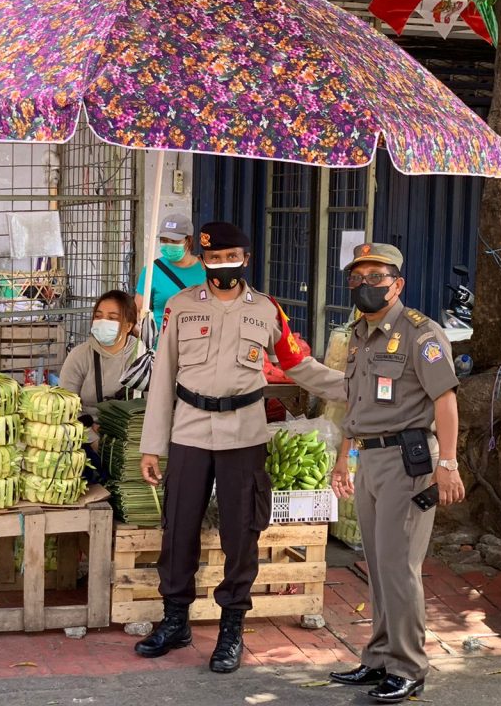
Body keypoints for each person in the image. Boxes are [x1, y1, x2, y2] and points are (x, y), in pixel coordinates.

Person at [135, 221, 346, 674]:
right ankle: (175, 621)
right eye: (214, 259)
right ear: (203, 260)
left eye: (231, 257)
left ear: (245, 259)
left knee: (241, 532)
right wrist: (152, 445)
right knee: (178, 528)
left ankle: (231, 628)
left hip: (244, 434)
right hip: (189, 430)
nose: (222, 265)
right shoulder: (180, 307)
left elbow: (298, 364)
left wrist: (353, 387)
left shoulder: (267, 310)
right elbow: (162, 377)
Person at [328, 243, 463, 703]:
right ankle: (380, 657)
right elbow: (356, 404)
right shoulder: (359, 333)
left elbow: (445, 400)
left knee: (400, 568)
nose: (364, 285)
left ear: (397, 284)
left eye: (375, 277)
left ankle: (408, 668)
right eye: (357, 278)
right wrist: (344, 457)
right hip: (369, 458)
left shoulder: (420, 334)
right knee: (379, 566)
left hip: (408, 462)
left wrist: (448, 464)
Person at [59, 290, 139, 483]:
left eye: (112, 318)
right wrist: (93, 438)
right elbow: (65, 407)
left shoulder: (142, 356)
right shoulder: (80, 355)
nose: (103, 322)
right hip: (84, 434)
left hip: (131, 436)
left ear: (128, 325)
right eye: (98, 316)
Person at [135, 213, 204, 340]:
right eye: (164, 240)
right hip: (160, 346)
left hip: (198, 345)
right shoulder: (152, 270)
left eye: (174, 241)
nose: (168, 244)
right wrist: (147, 338)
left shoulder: (205, 270)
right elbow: (138, 310)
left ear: (188, 240)